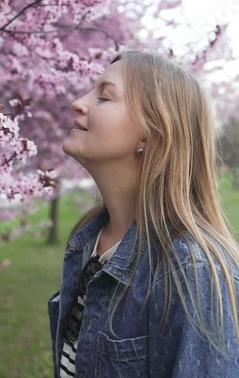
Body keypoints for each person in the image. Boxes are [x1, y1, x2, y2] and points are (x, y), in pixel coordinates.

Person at [47, 50, 239, 378]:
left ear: (151, 135)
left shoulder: (193, 272)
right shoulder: (88, 237)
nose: (78, 103)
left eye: (104, 97)